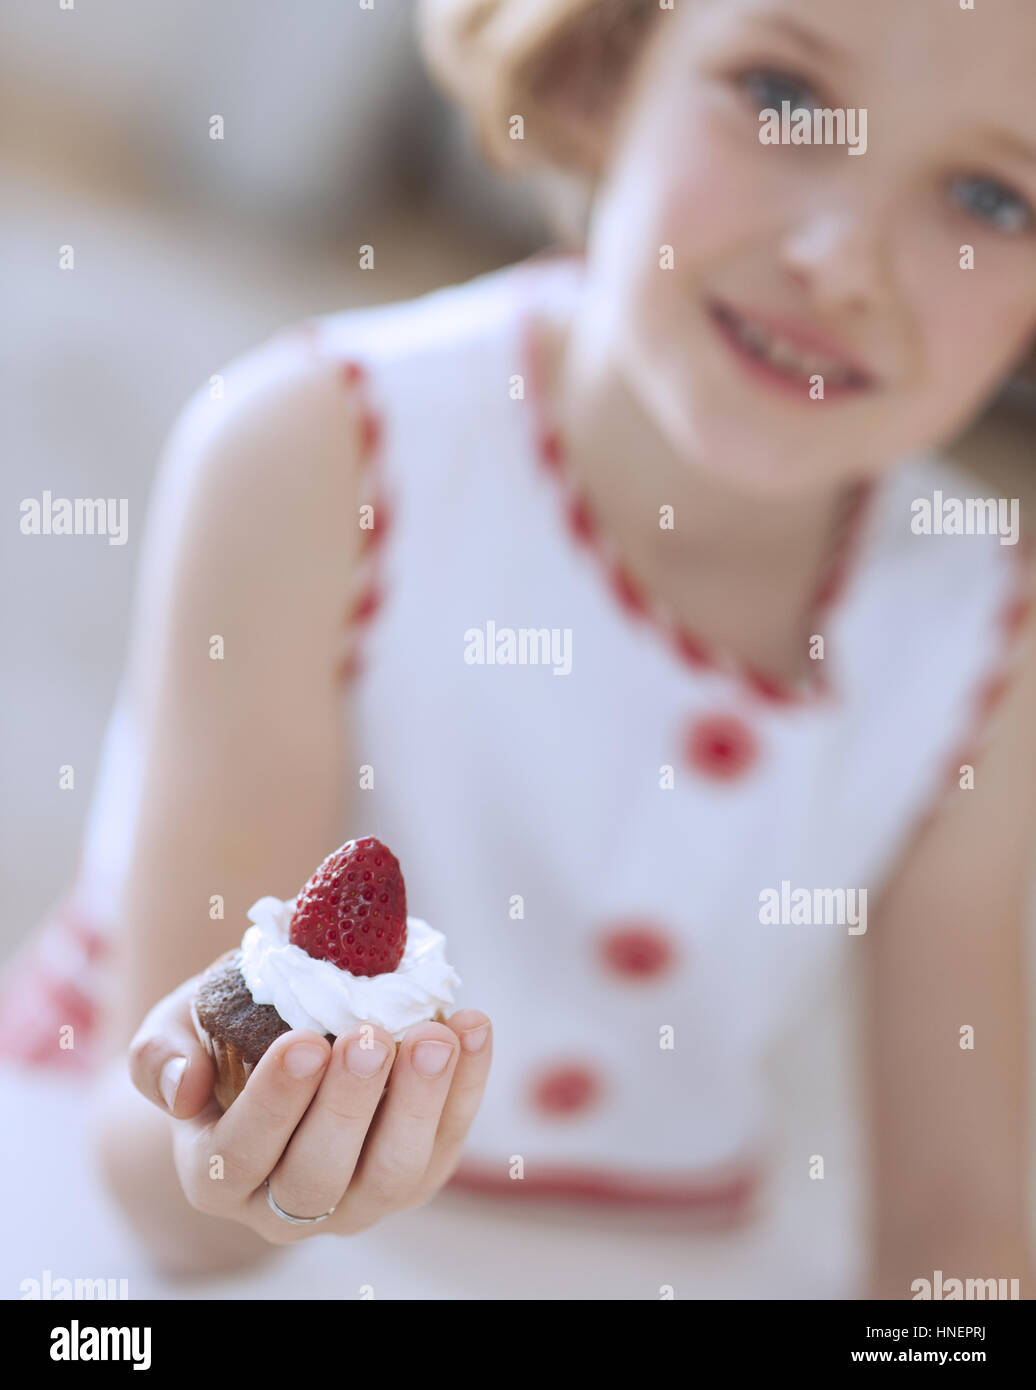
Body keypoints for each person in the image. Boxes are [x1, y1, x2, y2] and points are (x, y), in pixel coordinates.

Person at [3, 0, 1036, 1296]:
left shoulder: (983, 626)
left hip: (655, 1245)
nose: (841, 259)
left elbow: (960, 1226)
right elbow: (166, 1174)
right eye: (780, 95)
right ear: (604, 65)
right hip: (197, 1229)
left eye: (993, 201)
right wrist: (236, 1153)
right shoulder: (315, 449)